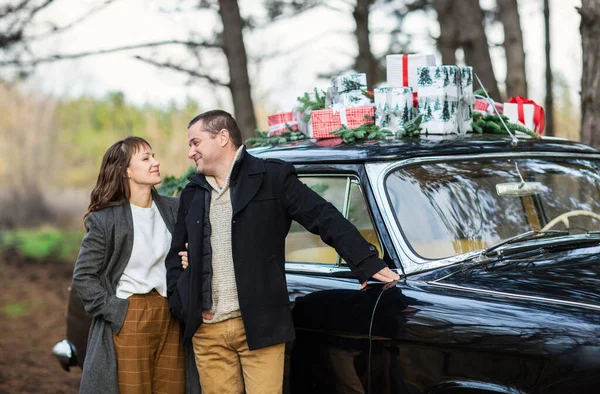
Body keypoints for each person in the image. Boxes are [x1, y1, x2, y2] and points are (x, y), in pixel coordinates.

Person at [165, 110, 400, 394]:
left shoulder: (272, 177)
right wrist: (183, 305)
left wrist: (364, 260)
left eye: (196, 142)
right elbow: (176, 256)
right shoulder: (193, 192)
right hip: (208, 331)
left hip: (260, 327)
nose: (191, 152)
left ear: (223, 137)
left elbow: (323, 216)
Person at [73, 137, 190, 394]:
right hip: (130, 314)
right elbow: (83, 277)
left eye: (154, 156)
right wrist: (117, 312)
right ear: (126, 170)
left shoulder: (175, 208)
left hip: (170, 315)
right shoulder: (105, 220)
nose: (156, 162)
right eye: (146, 158)